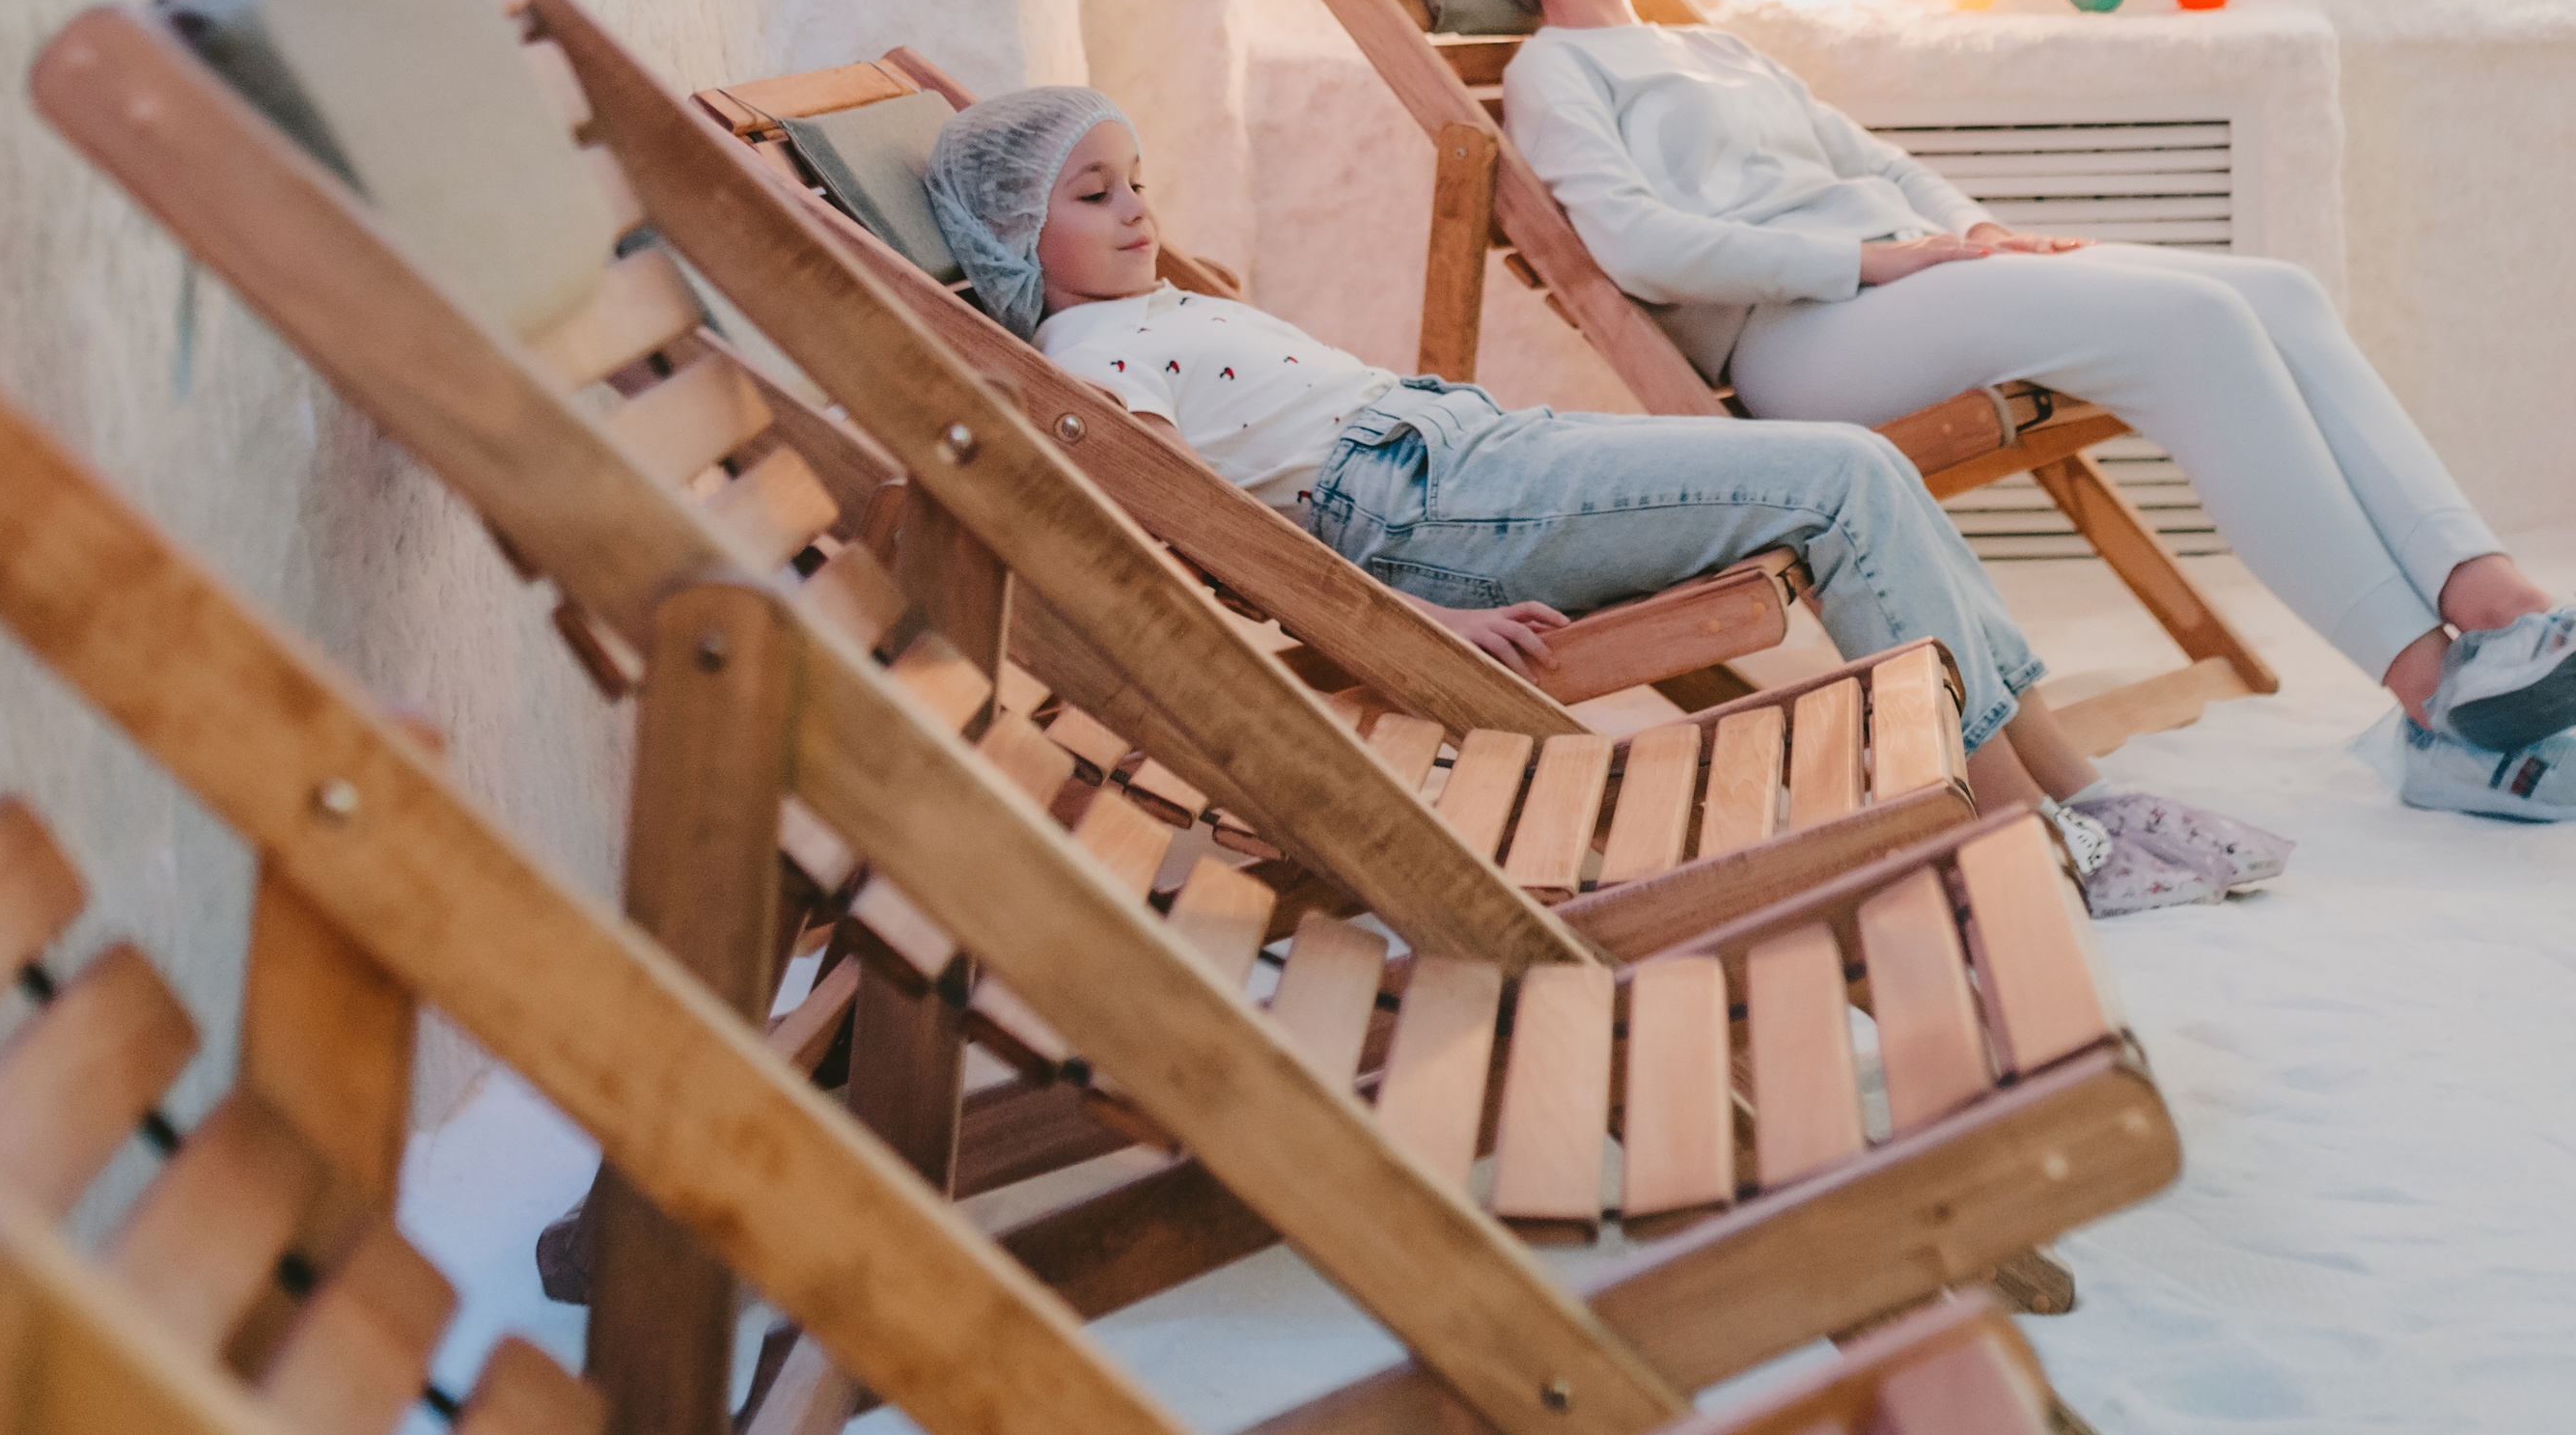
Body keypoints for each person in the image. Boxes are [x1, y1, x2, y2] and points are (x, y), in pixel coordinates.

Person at [1466, 0, 2576, 825]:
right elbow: (1637, 246)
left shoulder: (1718, 50)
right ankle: (2436, 700)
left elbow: (1877, 161)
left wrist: (1970, 233)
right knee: (2195, 333)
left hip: (1909, 279)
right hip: (1798, 336)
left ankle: (2501, 610)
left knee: (2276, 291)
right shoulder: (1552, 74)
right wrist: (1875, 262)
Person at [919, 83, 2292, 917]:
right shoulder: (1083, 357)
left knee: (1852, 472)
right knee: (1841, 474)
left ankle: (2083, 797)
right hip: (1428, 511)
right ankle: (2022, 838)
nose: (1136, 209)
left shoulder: (1150, 305)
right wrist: (1393, 624)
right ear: (1010, 231)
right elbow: (1187, 526)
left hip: (1469, 452)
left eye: (1137, 181)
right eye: (1092, 194)